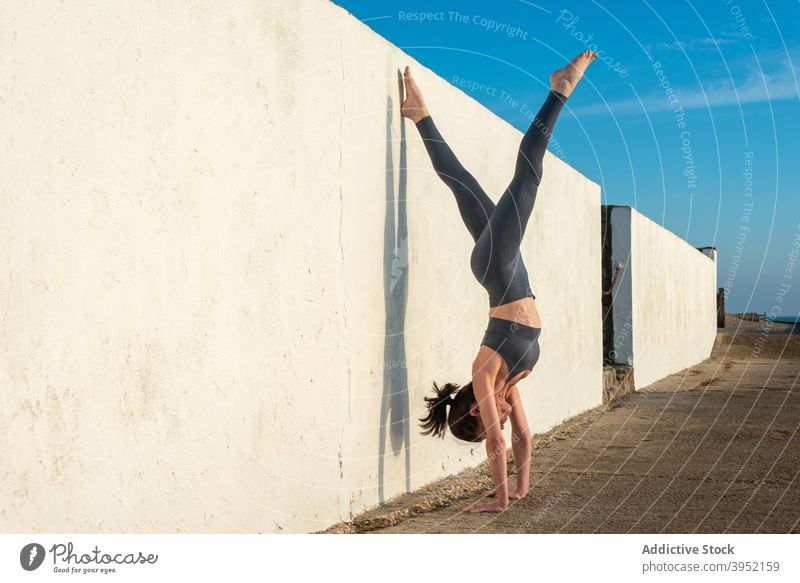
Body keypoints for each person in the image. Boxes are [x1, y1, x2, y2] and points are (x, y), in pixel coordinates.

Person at [408, 51, 597, 512]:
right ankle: (419, 115)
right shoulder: (508, 385)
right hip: (508, 269)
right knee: (462, 183)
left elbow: (497, 442)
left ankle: (558, 91)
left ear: (476, 411)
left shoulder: (484, 374)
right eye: (501, 417)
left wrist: (501, 502)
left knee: (527, 179)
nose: (506, 418)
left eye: (490, 419)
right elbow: (525, 439)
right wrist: (521, 487)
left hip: (497, 268)